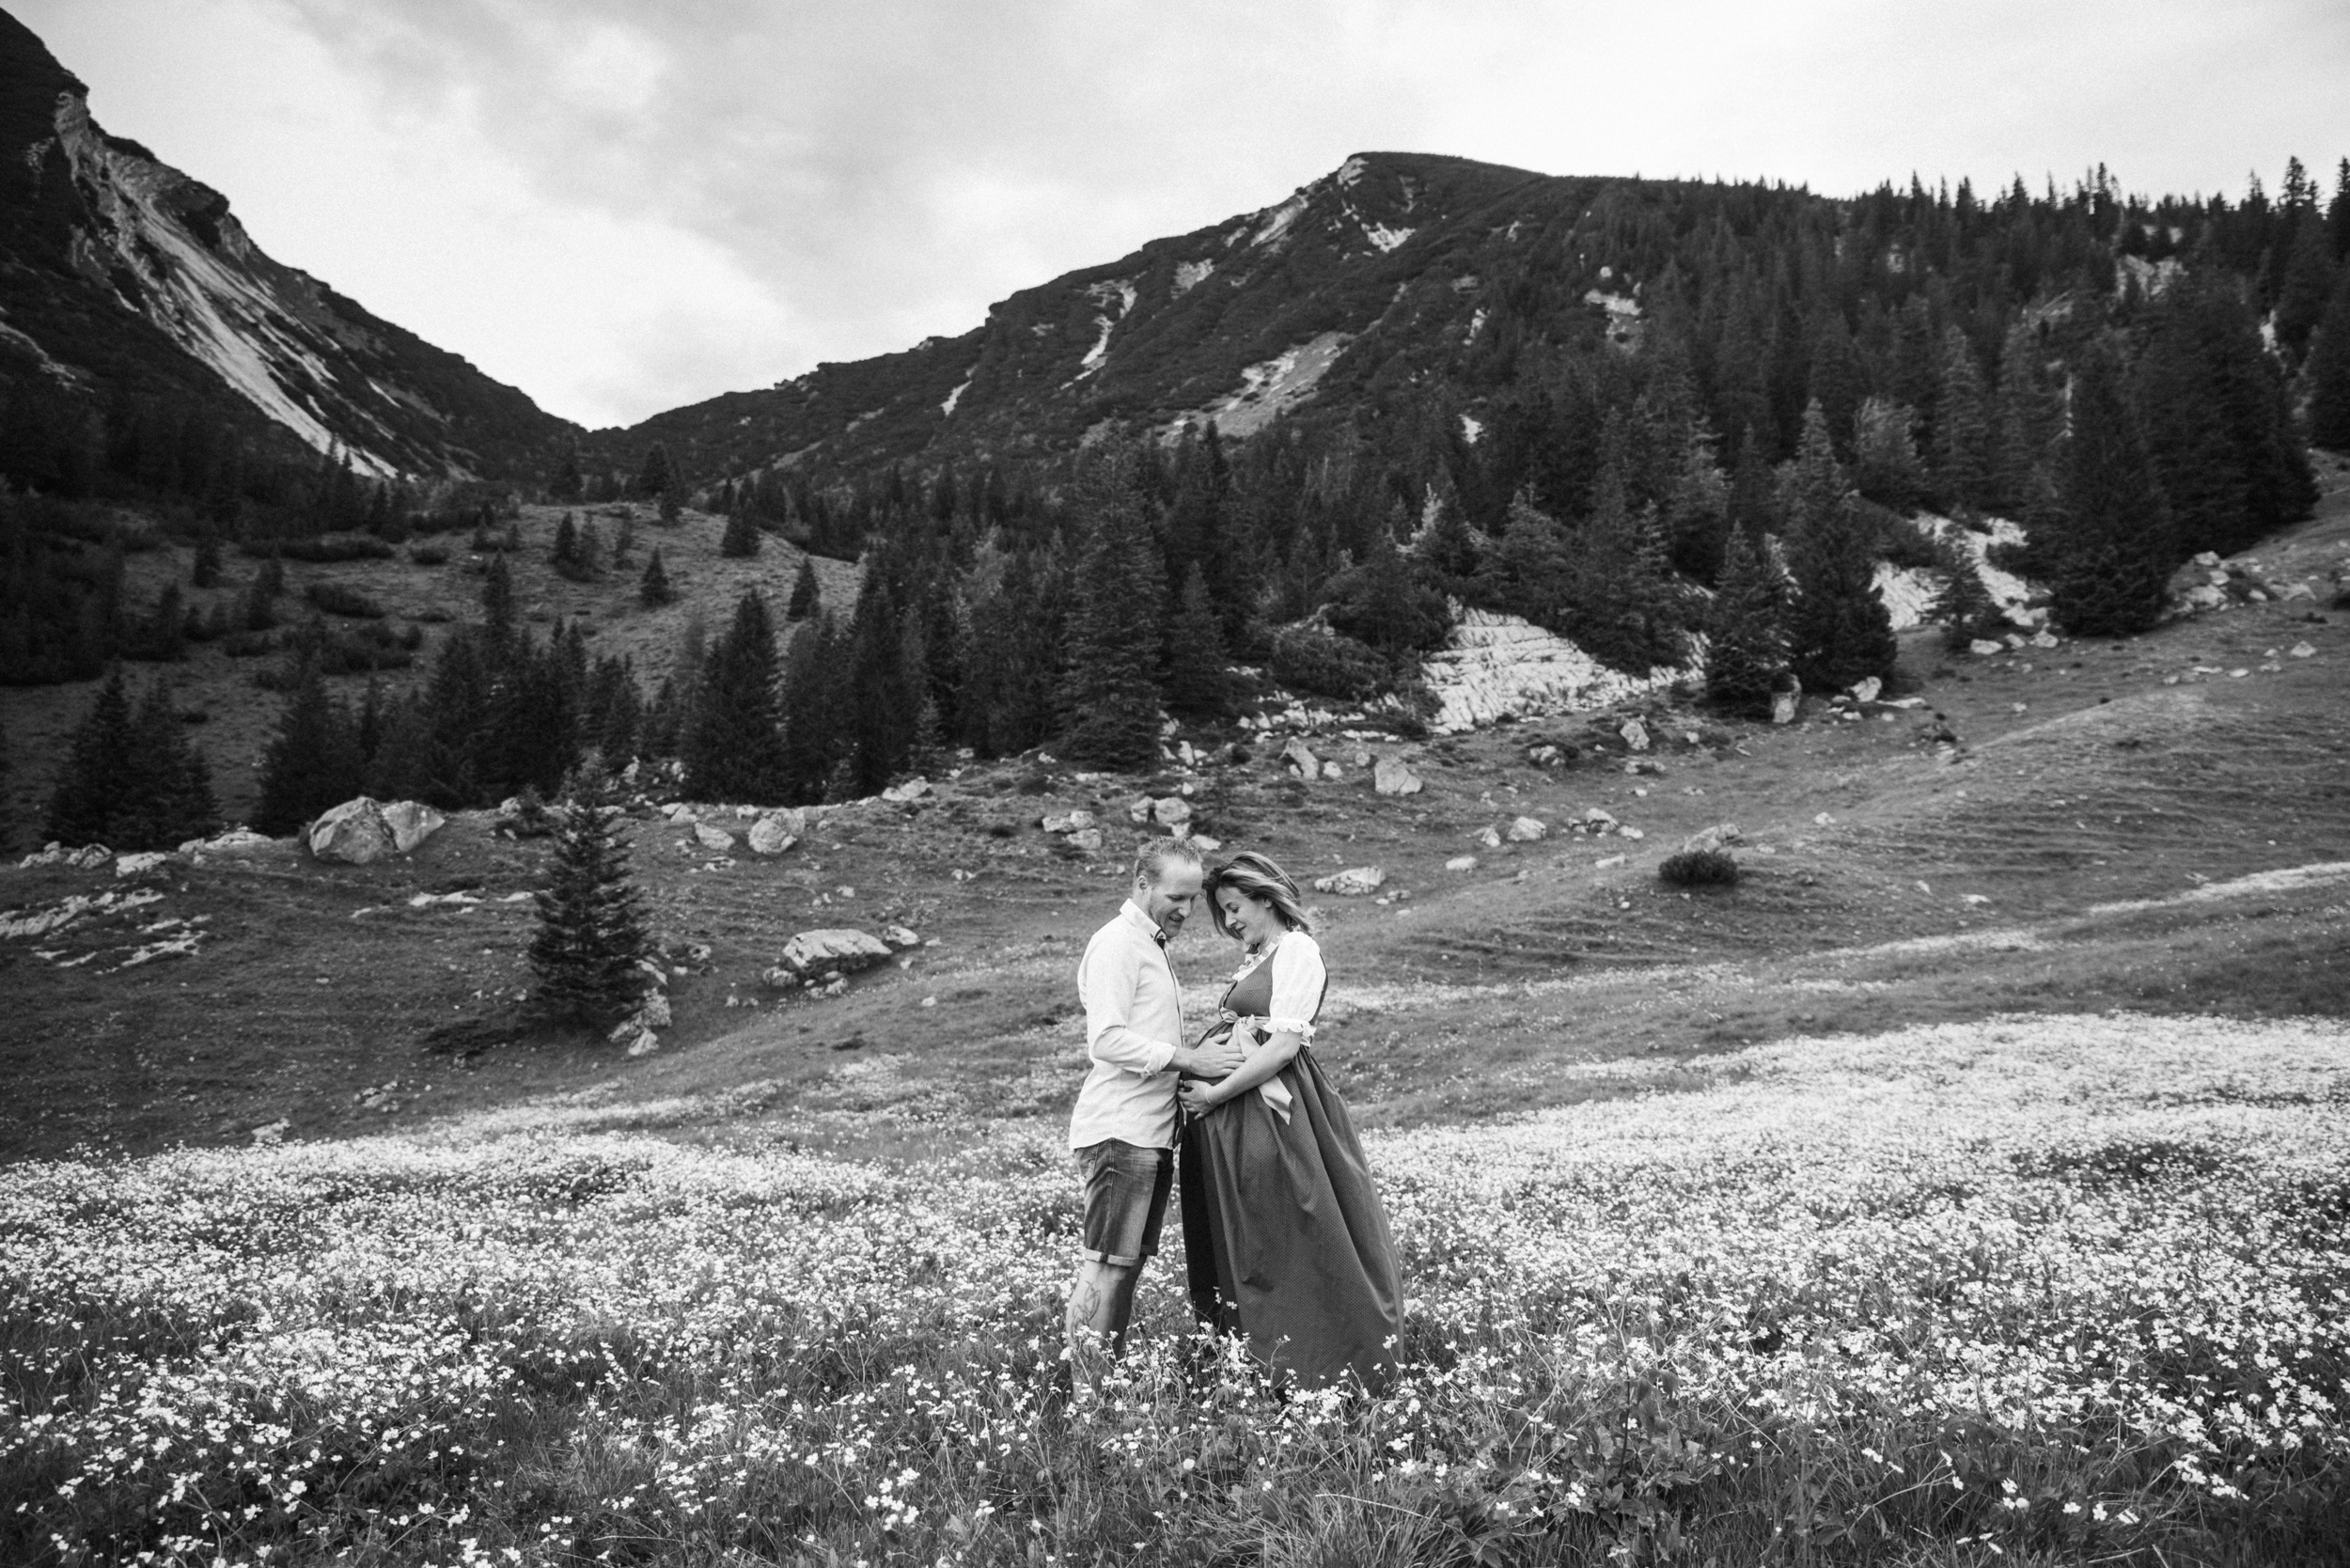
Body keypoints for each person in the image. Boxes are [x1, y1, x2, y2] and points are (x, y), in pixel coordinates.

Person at [1175, 852, 1405, 1391]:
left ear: (1265, 898)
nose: (1229, 921)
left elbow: (1282, 1048)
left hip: (1276, 1113)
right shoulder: (1260, 955)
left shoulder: (1298, 949)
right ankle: (1259, 1360)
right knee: (1255, 1234)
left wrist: (1214, 1095)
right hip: (1241, 1113)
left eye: (1235, 907)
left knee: (1298, 1229)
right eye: (1222, 912)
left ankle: (1330, 1362)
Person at [1067, 839, 1246, 1377]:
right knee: (1105, 1268)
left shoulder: (1150, 944)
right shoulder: (1118, 944)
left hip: (1148, 1134)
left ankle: (1102, 1385)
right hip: (1120, 1132)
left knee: (1123, 1269)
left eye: (1193, 899)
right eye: (1176, 897)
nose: (1187, 910)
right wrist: (1190, 1059)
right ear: (1142, 884)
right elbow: (1106, 1039)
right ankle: (1086, 1396)